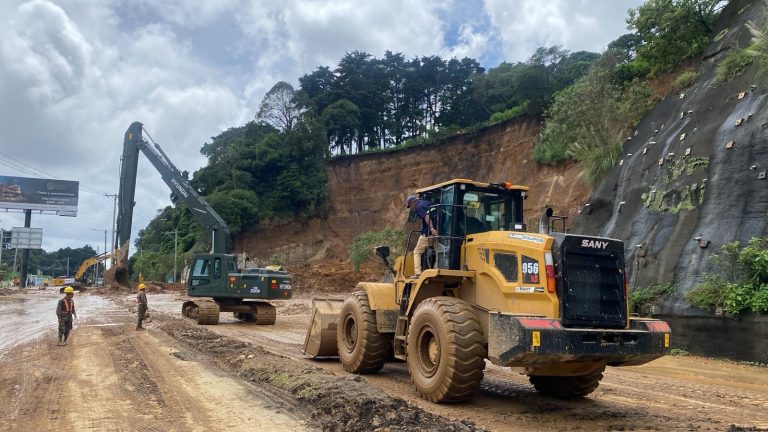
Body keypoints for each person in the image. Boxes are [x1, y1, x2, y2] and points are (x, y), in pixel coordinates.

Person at [405, 195, 437, 278]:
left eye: (410, 205)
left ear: (413, 202)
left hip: (428, 233)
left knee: (417, 252)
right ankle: (436, 270)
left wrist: (431, 229)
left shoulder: (418, 207)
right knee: (438, 253)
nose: (411, 208)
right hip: (439, 231)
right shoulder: (428, 203)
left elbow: (426, 216)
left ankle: (418, 273)